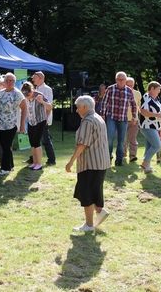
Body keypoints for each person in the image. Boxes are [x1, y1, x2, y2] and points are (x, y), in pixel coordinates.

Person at [65, 95, 111, 232]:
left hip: (90, 163)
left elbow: (82, 144)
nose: (77, 110)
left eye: (78, 107)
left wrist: (71, 162)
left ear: (85, 107)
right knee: (95, 190)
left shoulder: (87, 121)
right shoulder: (98, 118)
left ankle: (89, 225)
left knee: (86, 193)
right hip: (101, 162)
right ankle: (99, 211)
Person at [99, 71, 138, 166]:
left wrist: (134, 116)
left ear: (125, 80)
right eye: (119, 79)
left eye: (123, 79)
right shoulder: (110, 89)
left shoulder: (129, 90)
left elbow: (133, 104)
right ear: (116, 80)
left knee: (121, 140)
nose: (121, 81)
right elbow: (104, 102)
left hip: (123, 118)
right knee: (110, 139)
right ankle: (108, 157)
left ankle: (119, 160)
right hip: (111, 117)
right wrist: (102, 114)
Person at [0, 72, 27, 176]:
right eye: (7, 80)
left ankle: (5, 168)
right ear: (4, 82)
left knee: (6, 147)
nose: (9, 82)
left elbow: (24, 109)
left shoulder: (17, 93)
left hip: (11, 124)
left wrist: (22, 125)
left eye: (11, 80)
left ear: (14, 82)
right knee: (5, 146)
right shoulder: (1, 92)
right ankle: (10, 165)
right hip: (0, 125)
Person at [139, 81, 161, 173]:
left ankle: (147, 168)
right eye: (158, 89)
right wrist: (158, 115)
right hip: (147, 126)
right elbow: (143, 111)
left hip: (155, 126)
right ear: (152, 89)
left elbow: (157, 113)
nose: (159, 91)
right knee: (157, 145)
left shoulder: (156, 99)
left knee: (150, 147)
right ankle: (144, 162)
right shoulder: (146, 98)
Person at [21, 82, 48, 171]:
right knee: (32, 143)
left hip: (40, 121)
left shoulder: (39, 95)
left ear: (32, 91)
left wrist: (42, 102)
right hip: (31, 122)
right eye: (25, 95)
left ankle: (39, 164)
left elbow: (50, 107)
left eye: (28, 95)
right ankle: (34, 162)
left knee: (36, 142)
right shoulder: (25, 97)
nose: (27, 97)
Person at [30, 71, 55, 165]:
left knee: (45, 140)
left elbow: (49, 105)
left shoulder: (47, 89)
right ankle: (34, 159)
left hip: (43, 119)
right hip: (35, 119)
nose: (32, 79)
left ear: (41, 78)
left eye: (34, 77)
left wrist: (46, 119)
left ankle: (51, 160)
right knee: (35, 139)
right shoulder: (35, 88)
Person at [124, 77, 142, 162]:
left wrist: (137, 118)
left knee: (133, 139)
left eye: (132, 85)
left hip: (134, 120)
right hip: (123, 120)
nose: (130, 87)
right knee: (123, 139)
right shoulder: (121, 92)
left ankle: (132, 156)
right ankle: (123, 154)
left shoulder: (137, 94)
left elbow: (139, 107)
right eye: (128, 85)